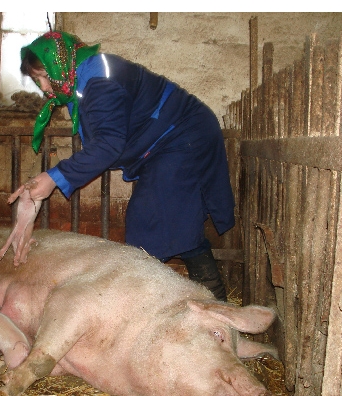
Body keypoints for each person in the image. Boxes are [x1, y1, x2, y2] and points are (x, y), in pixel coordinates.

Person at [12, 31, 235, 302]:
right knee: (172, 221)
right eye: (38, 81)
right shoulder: (83, 81)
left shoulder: (99, 80)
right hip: (169, 140)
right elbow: (105, 140)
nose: (45, 88)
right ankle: (216, 305)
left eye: (44, 77)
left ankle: (160, 305)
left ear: (59, 62)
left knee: (148, 222)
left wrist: (54, 177)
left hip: (182, 135)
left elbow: (107, 145)